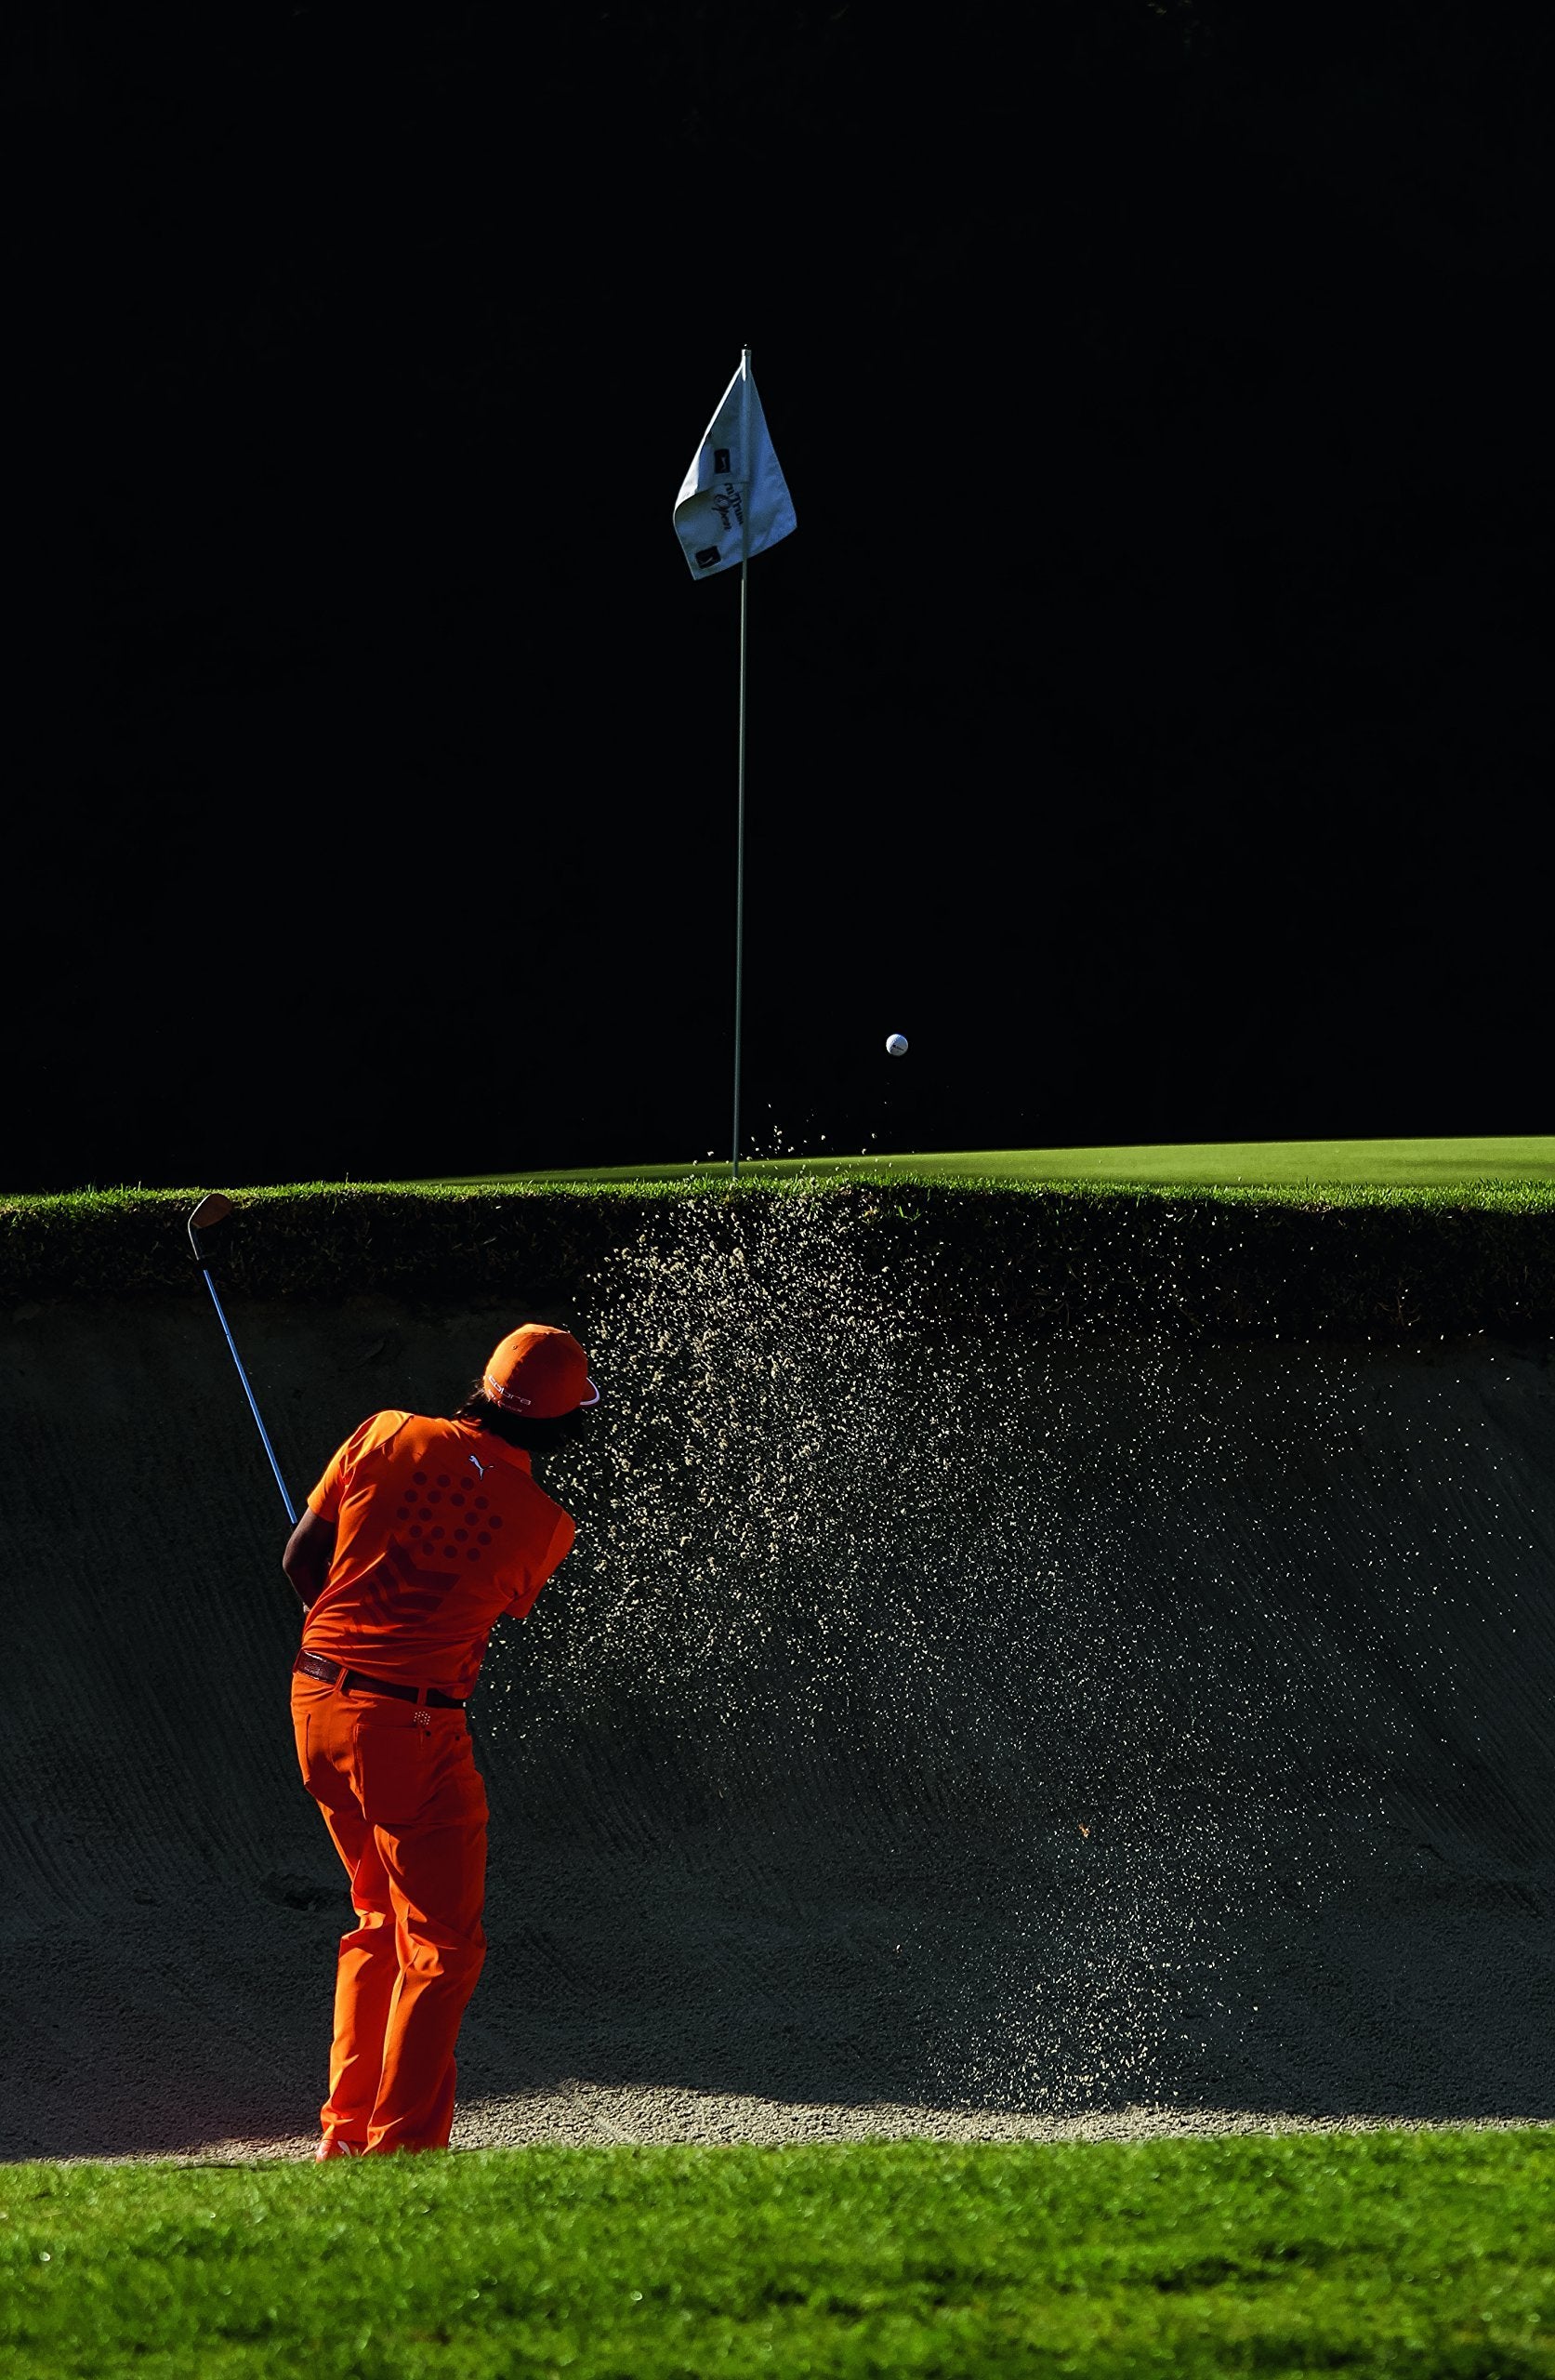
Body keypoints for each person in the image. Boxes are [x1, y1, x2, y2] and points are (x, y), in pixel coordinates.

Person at [282, 1322, 597, 2159]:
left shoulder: (385, 1431)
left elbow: (301, 1560)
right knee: (441, 1947)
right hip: (411, 1727)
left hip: (316, 1699)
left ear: (486, 1385)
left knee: (376, 1919)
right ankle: (401, 2149)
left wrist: (343, 1620)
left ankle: (345, 2134)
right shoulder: (545, 1525)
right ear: (562, 1422)